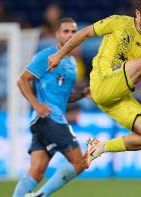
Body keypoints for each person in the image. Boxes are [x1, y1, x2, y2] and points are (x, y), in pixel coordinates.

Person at [47, 0, 141, 169]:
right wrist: (59, 55)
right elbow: (84, 33)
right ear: (137, 13)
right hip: (102, 82)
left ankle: (100, 147)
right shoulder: (118, 22)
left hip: (118, 96)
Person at [13, 18, 89, 197]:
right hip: (49, 118)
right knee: (79, 163)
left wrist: (82, 94)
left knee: (36, 173)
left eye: (73, 32)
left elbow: (64, 97)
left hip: (45, 121)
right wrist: (36, 104)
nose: (71, 35)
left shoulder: (71, 64)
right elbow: (22, 80)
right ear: (57, 34)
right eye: (66, 31)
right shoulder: (47, 55)